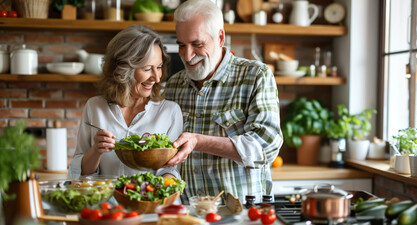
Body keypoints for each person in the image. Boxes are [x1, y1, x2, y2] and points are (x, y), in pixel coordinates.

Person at [164, 0, 283, 204]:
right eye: (181, 45)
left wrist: (198, 142)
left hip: (242, 212)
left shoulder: (255, 75)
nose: (187, 55)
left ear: (220, 38)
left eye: (197, 44)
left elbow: (267, 145)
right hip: (187, 212)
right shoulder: (174, 85)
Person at [69, 25, 183, 179]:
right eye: (148, 69)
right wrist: (96, 150)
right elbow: (78, 172)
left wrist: (158, 188)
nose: (157, 78)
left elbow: (171, 169)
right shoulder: (95, 107)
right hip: (107, 202)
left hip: (150, 201)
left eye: (159, 67)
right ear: (124, 69)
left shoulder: (169, 111)